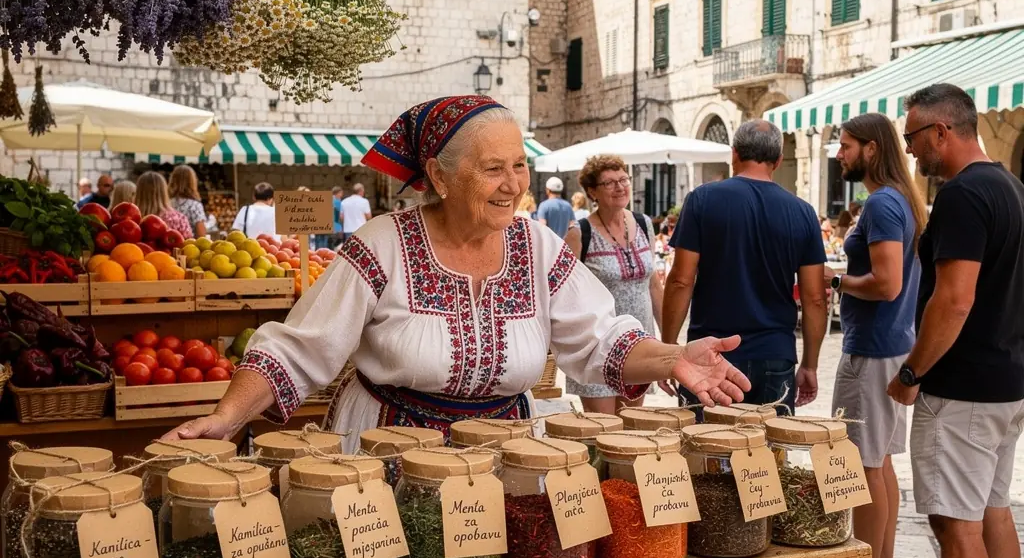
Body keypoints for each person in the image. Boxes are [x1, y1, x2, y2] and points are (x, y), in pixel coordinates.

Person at [166, 95, 749, 449]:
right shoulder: (382, 244)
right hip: (386, 459)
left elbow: (604, 339)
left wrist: (672, 357)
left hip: (504, 459)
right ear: (440, 178)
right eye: (493, 168)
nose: (514, 184)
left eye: (519, 165)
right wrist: (225, 417)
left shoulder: (535, 244)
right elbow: (297, 350)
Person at [886, 83, 1024, 558]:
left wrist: (912, 374)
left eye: (914, 138)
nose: (911, 152)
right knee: (992, 513)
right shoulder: (1009, 188)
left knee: (955, 523)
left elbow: (955, 298)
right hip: (1004, 382)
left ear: (943, 131)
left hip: (963, 389)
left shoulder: (965, 196)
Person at [828, 114, 927, 558]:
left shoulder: (883, 203)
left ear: (871, 148)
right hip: (891, 346)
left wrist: (834, 282)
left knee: (863, 464)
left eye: (845, 146)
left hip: (872, 348)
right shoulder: (899, 200)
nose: (839, 154)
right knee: (880, 463)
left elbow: (886, 284)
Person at [662, 119, 827, 412]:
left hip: (709, 353)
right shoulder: (803, 213)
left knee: (704, 450)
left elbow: (680, 281)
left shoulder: (702, 200)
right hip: (775, 354)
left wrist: (668, 349)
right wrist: (810, 364)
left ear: (734, 153)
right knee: (768, 453)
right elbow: (814, 298)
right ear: (777, 161)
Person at [564, 155, 662, 413]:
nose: (620, 187)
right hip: (597, 347)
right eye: (609, 183)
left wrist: (668, 342)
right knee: (604, 434)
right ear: (592, 192)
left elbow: (653, 286)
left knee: (631, 431)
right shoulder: (579, 234)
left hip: (640, 345)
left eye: (623, 180)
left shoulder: (644, 225)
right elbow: (562, 294)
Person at [135, 171, 193, 239]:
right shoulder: (179, 219)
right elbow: (189, 245)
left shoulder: (133, 221)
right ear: (164, 191)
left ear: (138, 192)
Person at [167, 164, 207, 238]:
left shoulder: (166, 204)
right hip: (189, 247)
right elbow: (201, 236)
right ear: (192, 182)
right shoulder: (195, 206)